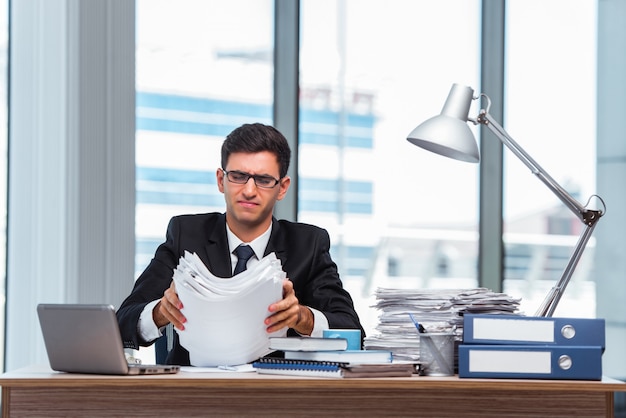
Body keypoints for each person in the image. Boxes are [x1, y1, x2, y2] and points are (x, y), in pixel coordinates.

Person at [117, 122, 364, 365]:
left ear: (282, 188)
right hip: (194, 394)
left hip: (276, 395)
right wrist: (161, 312)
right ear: (220, 180)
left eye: (264, 180)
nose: (248, 190)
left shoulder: (308, 244)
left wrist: (302, 318)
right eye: (238, 176)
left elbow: (352, 332)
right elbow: (122, 322)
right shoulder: (186, 235)